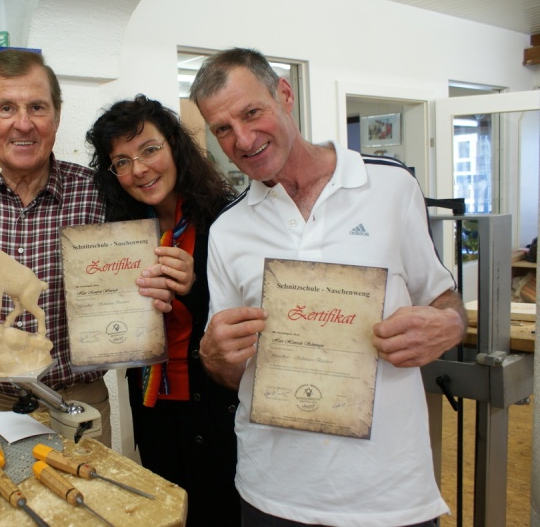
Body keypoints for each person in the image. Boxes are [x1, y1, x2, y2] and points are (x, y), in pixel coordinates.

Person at [189, 48, 467, 526]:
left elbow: (443, 299)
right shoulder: (228, 229)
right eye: (223, 129)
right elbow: (231, 371)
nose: (243, 139)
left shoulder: (391, 187)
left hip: (390, 491)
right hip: (272, 490)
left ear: (285, 94)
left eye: (252, 112)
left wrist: (449, 326)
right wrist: (214, 357)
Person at [0, 50, 174, 447]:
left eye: (37, 107)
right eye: (6, 108)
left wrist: (170, 274)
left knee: (89, 491)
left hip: (76, 406)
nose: (23, 123)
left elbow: (167, 230)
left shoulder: (102, 193)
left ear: (56, 116)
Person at [86, 94, 241, 526]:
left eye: (150, 149)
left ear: (176, 146)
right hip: (154, 406)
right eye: (121, 162)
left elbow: (250, 314)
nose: (139, 169)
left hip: (215, 406)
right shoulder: (122, 231)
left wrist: (194, 287)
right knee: (167, 513)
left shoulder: (227, 220)